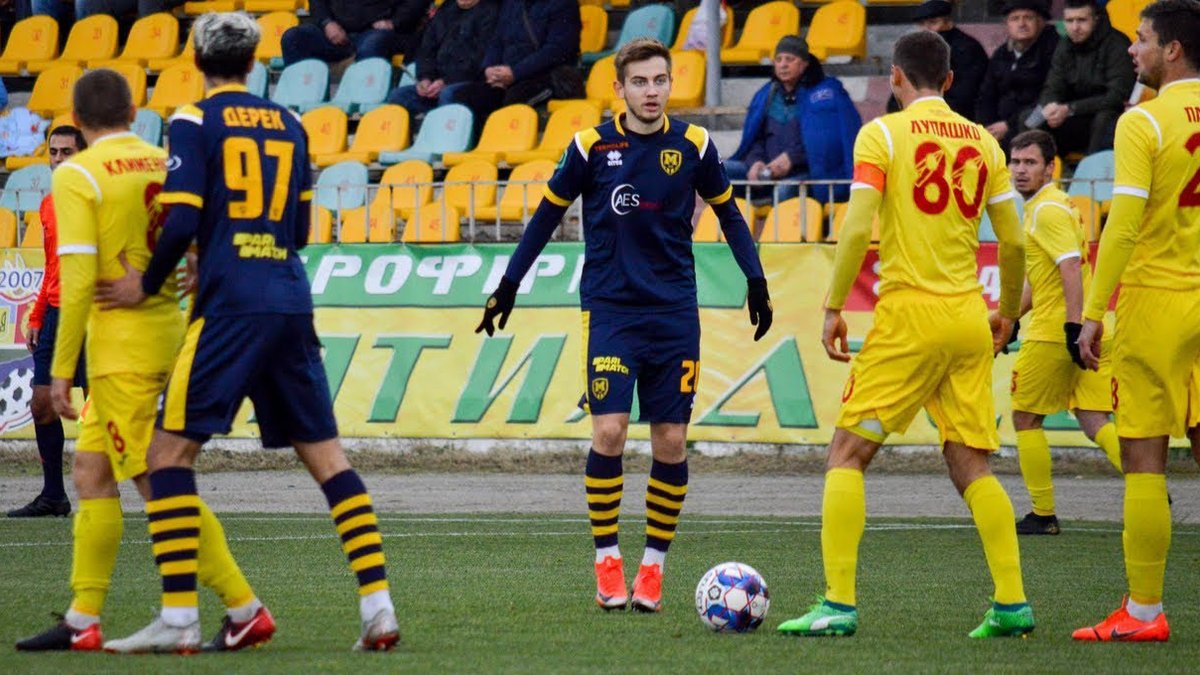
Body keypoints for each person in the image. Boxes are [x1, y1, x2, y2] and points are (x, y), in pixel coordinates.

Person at [95, 12, 400, 653]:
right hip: (289, 297)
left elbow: (181, 221)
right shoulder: (291, 123)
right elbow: (302, 232)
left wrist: (145, 284)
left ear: (196, 61)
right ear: (256, 63)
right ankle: (379, 608)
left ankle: (178, 616)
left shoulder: (193, 119)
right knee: (330, 461)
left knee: (166, 457)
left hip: (231, 305)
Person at [476, 38, 773, 614]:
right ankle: (608, 561)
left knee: (671, 441)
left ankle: (653, 568)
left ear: (670, 84)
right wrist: (509, 284)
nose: (651, 91)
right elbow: (545, 217)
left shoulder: (694, 144)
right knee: (609, 432)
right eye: (639, 82)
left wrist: (755, 279)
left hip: (674, 313)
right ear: (620, 88)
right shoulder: (590, 146)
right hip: (611, 311)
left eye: (660, 80)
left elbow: (730, 214)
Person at [778, 29, 1034, 639]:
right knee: (971, 463)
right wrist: (1007, 313)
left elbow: (858, 226)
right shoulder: (985, 142)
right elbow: (1014, 242)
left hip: (908, 317)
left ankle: (838, 605)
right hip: (969, 316)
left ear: (895, 77)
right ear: (949, 80)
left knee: (847, 454)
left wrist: (834, 306)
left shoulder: (883, 134)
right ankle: (1012, 603)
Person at [15, 68, 268, 654]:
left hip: (120, 353)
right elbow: (205, 236)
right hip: (164, 333)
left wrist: (61, 369)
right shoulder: (163, 161)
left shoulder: (78, 174)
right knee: (91, 473)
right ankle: (82, 618)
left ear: (77, 122)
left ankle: (244, 607)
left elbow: (78, 280)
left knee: (160, 483)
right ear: (134, 113)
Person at [1072, 0, 1200, 643]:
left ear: (1172, 49)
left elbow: (1121, 226)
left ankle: (1144, 613)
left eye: (1141, 39)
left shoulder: (1144, 120)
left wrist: (1092, 313)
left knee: (1145, 458)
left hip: (1158, 301)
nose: (1131, 49)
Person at [1002, 129, 1122, 536]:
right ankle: (1149, 487)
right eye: (1015, 162)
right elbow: (1046, 276)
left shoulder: (1046, 210)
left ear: (1050, 167)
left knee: (1025, 417)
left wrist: (1072, 328)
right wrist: (1009, 316)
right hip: (1085, 325)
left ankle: (1043, 513)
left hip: (1056, 332)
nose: (1020, 170)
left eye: (1030, 162)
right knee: (1093, 418)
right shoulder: (1057, 205)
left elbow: (1070, 267)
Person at [7, 125, 88, 520]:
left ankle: (107, 492)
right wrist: (38, 314)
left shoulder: (99, 198)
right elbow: (53, 267)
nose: (58, 159)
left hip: (95, 314)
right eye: (53, 152)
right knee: (41, 405)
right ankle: (54, 495)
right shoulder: (49, 205)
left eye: (66, 151)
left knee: (103, 410)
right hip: (57, 314)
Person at [725, 35, 860, 205]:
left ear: (804, 63)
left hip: (807, 173)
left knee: (785, 189)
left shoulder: (826, 93)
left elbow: (827, 141)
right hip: (766, 171)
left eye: (790, 59)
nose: (783, 65)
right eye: (778, 60)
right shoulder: (766, 94)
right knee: (720, 170)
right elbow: (755, 138)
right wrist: (755, 161)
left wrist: (792, 158)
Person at [451, 0, 581, 138]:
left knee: (512, 100)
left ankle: (504, 145)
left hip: (547, 76)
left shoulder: (563, 4)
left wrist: (515, 73)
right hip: (509, 76)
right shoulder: (511, 3)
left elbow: (556, 51)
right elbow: (497, 40)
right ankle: (480, 147)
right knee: (464, 97)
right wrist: (490, 68)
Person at [1036, 0, 1135, 156]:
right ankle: (1036, 166)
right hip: (1072, 115)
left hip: (1104, 114)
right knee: (1032, 118)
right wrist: (1050, 105)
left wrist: (1071, 109)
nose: (1075, 27)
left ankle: (1091, 168)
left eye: (1081, 20)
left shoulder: (1117, 44)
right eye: (1069, 21)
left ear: (1096, 20)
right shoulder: (1064, 45)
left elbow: (1117, 96)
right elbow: (1053, 85)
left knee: (1105, 118)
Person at [385, 0, 499, 119]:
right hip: (436, 82)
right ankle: (429, 122)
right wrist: (426, 78)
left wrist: (447, 81)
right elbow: (426, 50)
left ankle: (439, 124)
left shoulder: (490, 11)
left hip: (468, 81)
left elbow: (480, 59)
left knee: (448, 93)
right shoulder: (446, 9)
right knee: (398, 96)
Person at [977, 0, 1060, 150]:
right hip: (998, 126)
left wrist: (1009, 125)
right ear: (1006, 24)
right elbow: (986, 94)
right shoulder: (1001, 53)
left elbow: (1047, 96)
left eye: (1028, 18)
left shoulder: (1054, 49)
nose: (1022, 24)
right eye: (1015, 19)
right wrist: (986, 127)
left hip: (1033, 124)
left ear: (1040, 22)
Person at [886, 0, 988, 120]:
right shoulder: (916, 50)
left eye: (933, 22)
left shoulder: (968, 49)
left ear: (948, 23)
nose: (927, 28)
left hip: (954, 120)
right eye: (922, 24)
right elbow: (899, 93)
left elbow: (965, 95)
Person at [280, 0, 429, 66]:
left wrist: (395, 22)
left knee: (373, 43)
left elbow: (416, 3)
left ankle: (364, 104)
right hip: (335, 30)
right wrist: (327, 23)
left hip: (379, 31)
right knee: (293, 37)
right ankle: (296, 103)